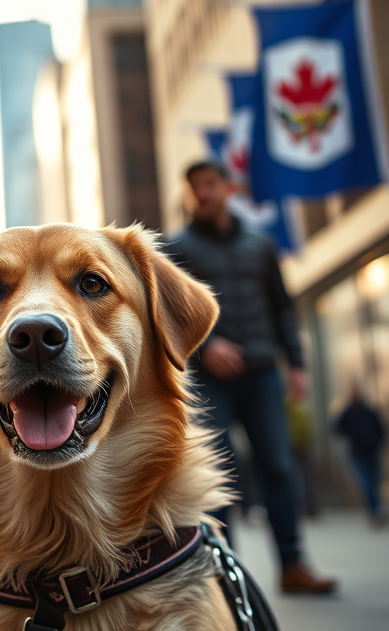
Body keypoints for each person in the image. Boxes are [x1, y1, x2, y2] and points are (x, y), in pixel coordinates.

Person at [165, 159, 337, 595]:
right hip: (210, 379)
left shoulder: (260, 245)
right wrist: (208, 346)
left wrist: (295, 364)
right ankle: (224, 575)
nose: (201, 193)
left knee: (278, 466)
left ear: (226, 188)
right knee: (219, 471)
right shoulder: (176, 247)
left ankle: (293, 564)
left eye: (208, 184)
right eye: (193, 187)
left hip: (263, 374)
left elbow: (283, 306)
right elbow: (169, 316)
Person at [334, 381, 386, 525]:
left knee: (374, 481)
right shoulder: (348, 412)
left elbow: (380, 429)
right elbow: (337, 428)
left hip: (373, 450)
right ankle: (376, 510)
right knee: (366, 481)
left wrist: (381, 445)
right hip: (358, 452)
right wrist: (351, 430)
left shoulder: (370, 410)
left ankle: (375, 510)